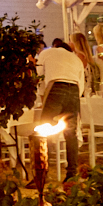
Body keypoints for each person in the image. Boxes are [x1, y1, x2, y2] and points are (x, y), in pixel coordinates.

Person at [35, 36, 85, 181]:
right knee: (71, 134)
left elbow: (39, 77)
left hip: (56, 87)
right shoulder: (76, 59)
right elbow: (80, 86)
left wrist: (42, 96)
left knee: (44, 131)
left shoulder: (47, 53)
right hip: (74, 89)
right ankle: (71, 174)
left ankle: (43, 173)